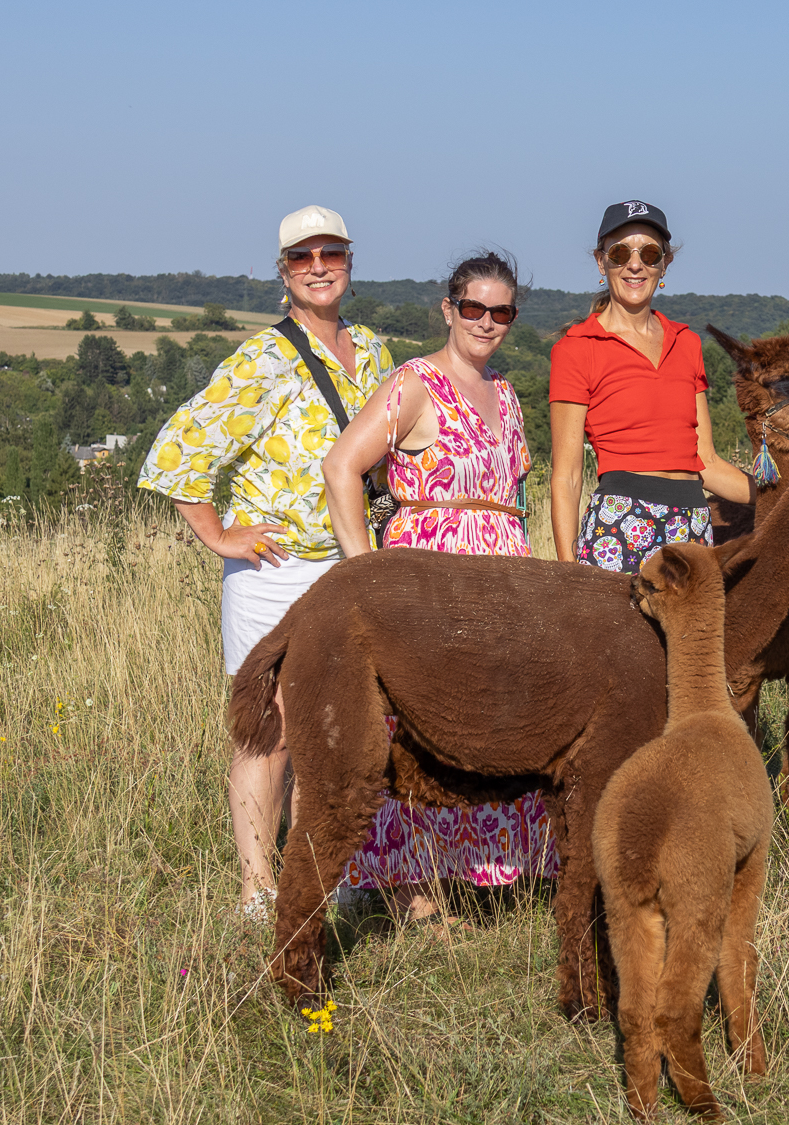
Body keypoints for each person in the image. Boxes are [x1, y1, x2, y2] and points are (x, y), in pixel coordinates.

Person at [138, 205, 394, 916]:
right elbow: (178, 451)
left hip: (347, 567)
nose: (319, 267)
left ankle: (323, 874)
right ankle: (257, 887)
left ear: (349, 261)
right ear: (283, 272)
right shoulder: (261, 359)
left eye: (331, 254)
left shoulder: (372, 351)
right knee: (271, 728)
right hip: (274, 572)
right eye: (303, 257)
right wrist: (221, 535)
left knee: (335, 726)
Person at [322, 250, 558, 922]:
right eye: (474, 307)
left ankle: (487, 869)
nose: (487, 321)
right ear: (449, 310)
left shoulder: (508, 394)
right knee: (416, 728)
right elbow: (342, 465)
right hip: (428, 577)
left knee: (493, 725)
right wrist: (366, 573)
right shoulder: (413, 384)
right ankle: (410, 890)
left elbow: (510, 492)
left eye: (501, 311)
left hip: (502, 579)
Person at [549, 200, 755, 572]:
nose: (634, 264)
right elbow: (567, 476)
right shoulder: (577, 348)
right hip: (619, 526)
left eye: (649, 252)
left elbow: (706, 463)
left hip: (693, 526)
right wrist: (568, 575)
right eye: (619, 252)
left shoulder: (686, 342)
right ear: (601, 262)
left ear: (664, 264)